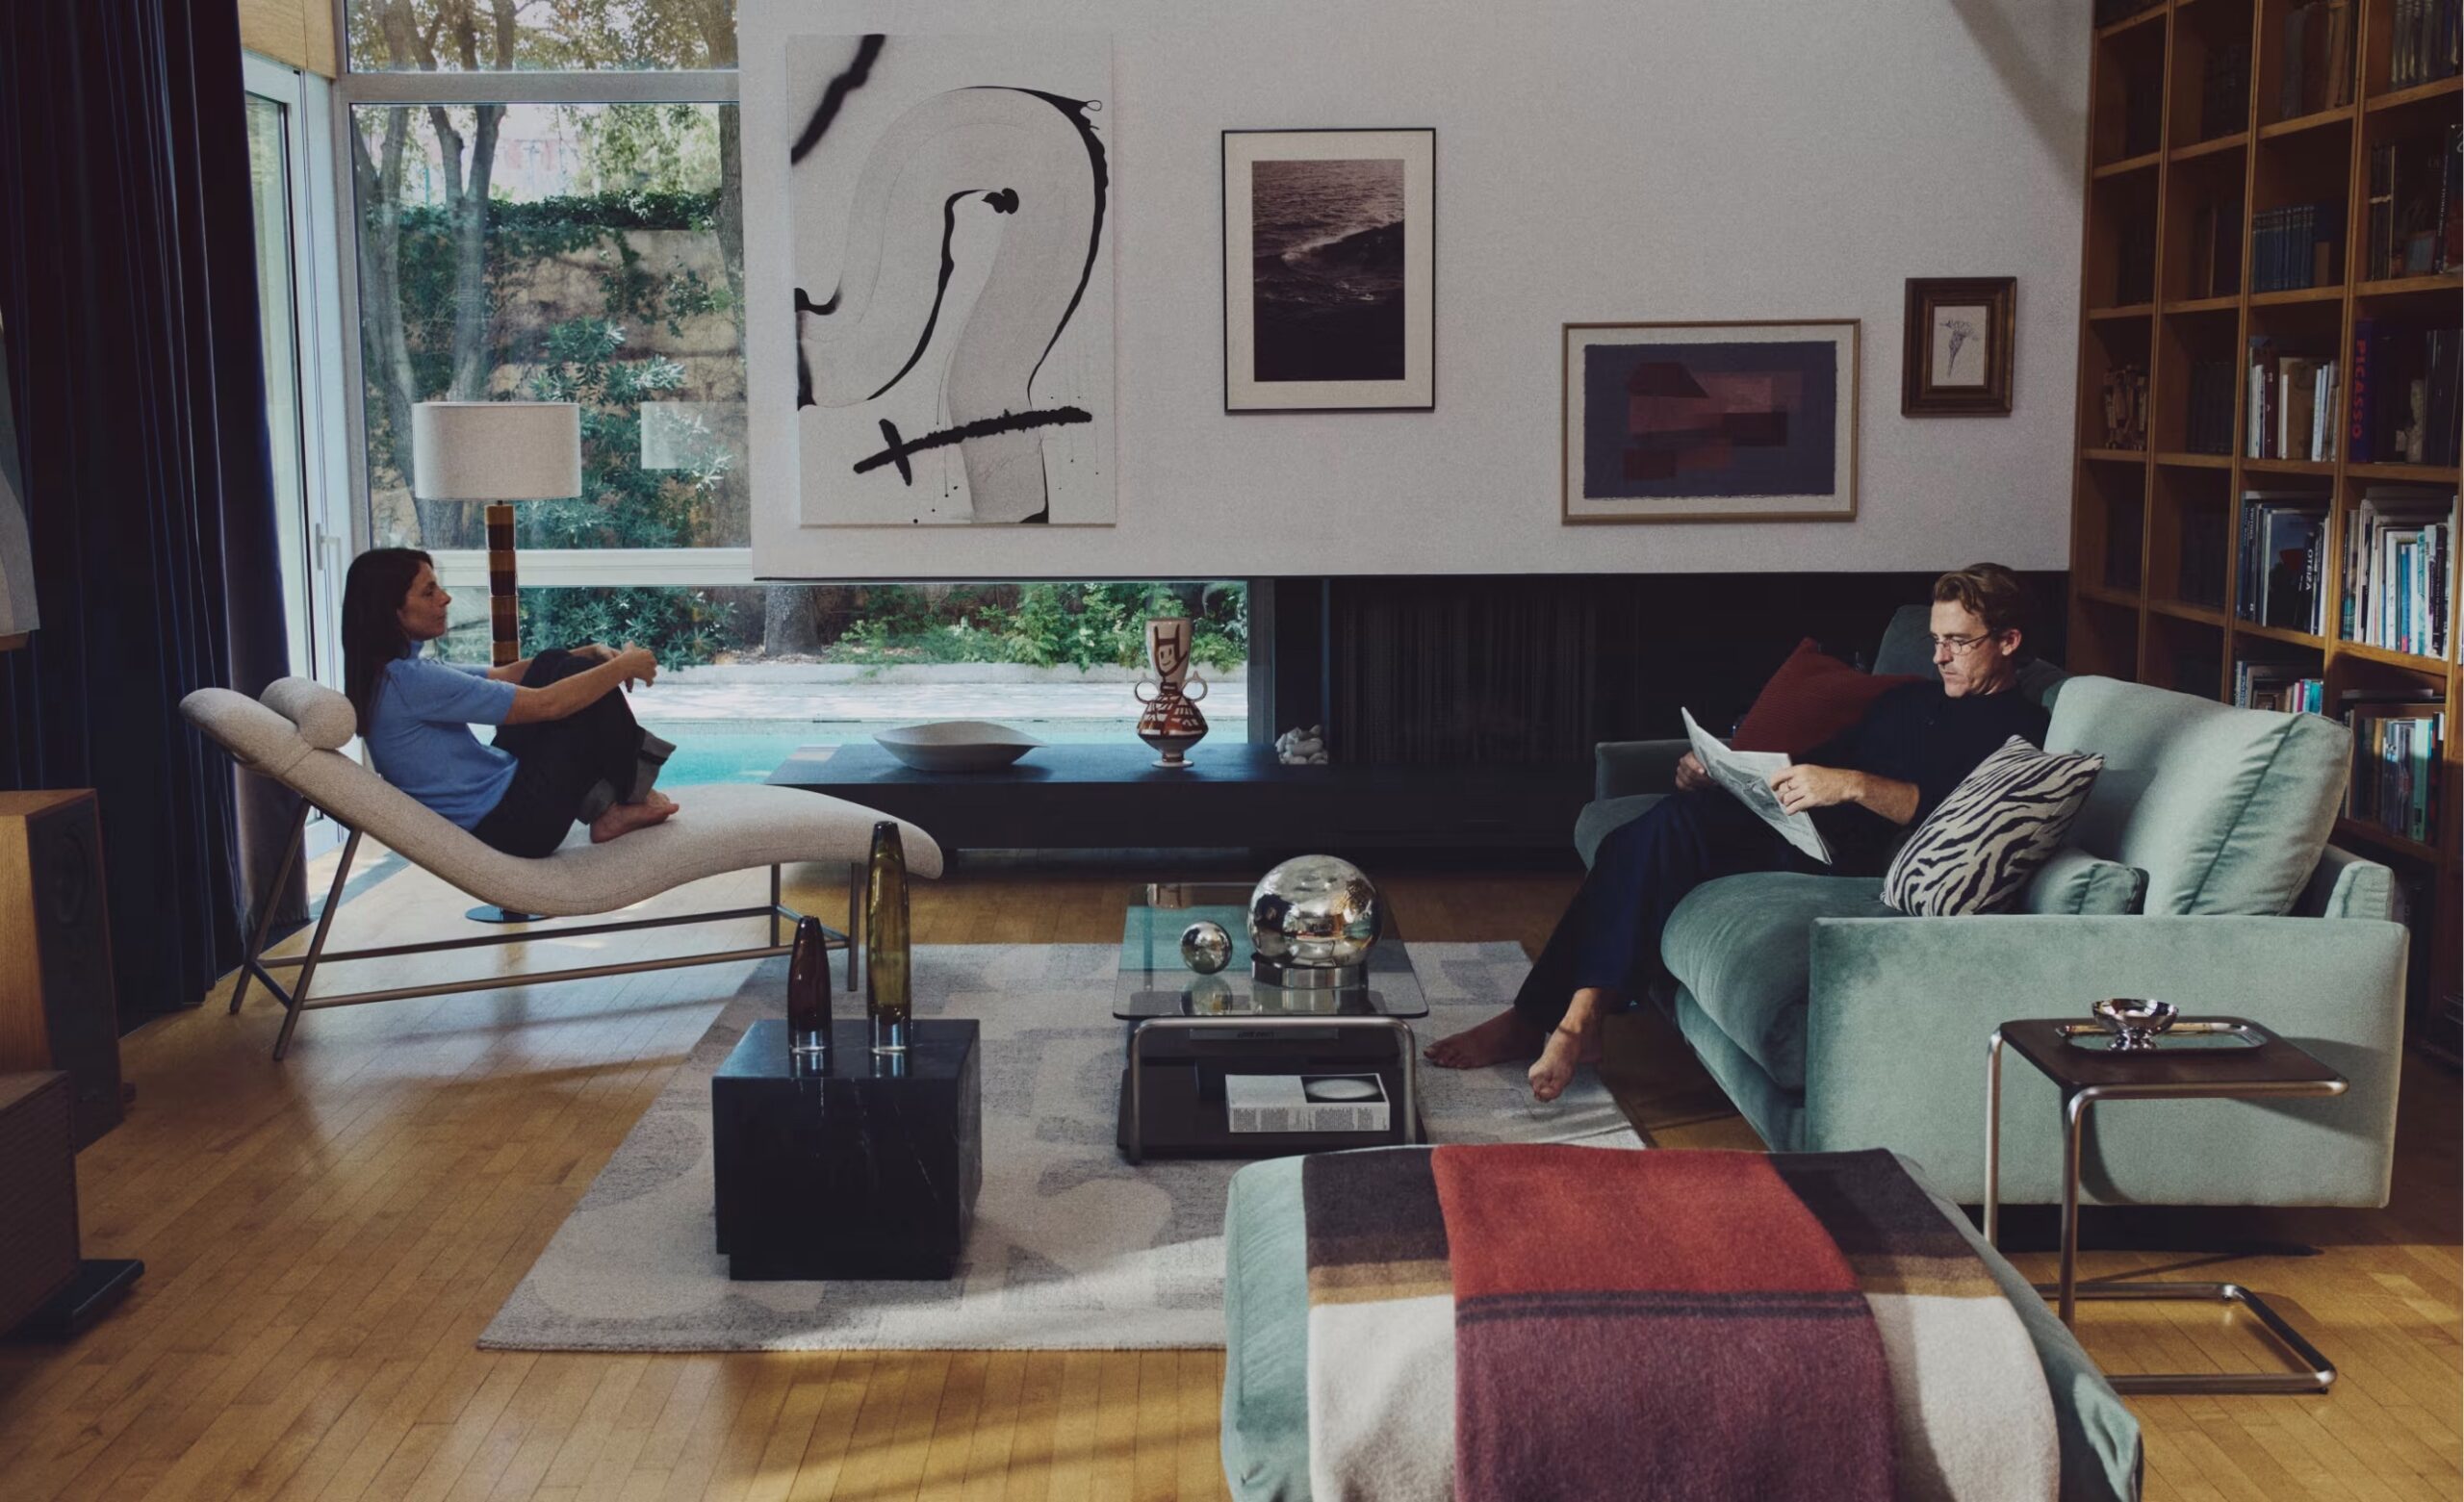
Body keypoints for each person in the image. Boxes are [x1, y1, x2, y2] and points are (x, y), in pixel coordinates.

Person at [1424, 564, 2053, 1102]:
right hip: (1796, 826)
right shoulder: (1912, 700)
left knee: (1659, 837)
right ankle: (1566, 1016)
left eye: (1957, 642)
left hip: (1843, 860)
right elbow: (1816, 757)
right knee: (1647, 834)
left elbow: (1950, 810)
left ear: (2008, 641)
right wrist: (1722, 770)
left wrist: (1854, 785)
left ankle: (1561, 1019)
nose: (1939, 656)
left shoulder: (2019, 728)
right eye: (1936, 640)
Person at [341, 547, 679, 856]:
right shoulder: (412, 681)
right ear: (392, 611)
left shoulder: (391, 674)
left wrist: (590, 653)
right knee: (576, 684)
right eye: (429, 592)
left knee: (554, 662)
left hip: (502, 801)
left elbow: (502, 675)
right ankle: (627, 800)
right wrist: (623, 667)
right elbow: (547, 705)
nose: (445, 598)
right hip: (517, 824)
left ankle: (609, 805)